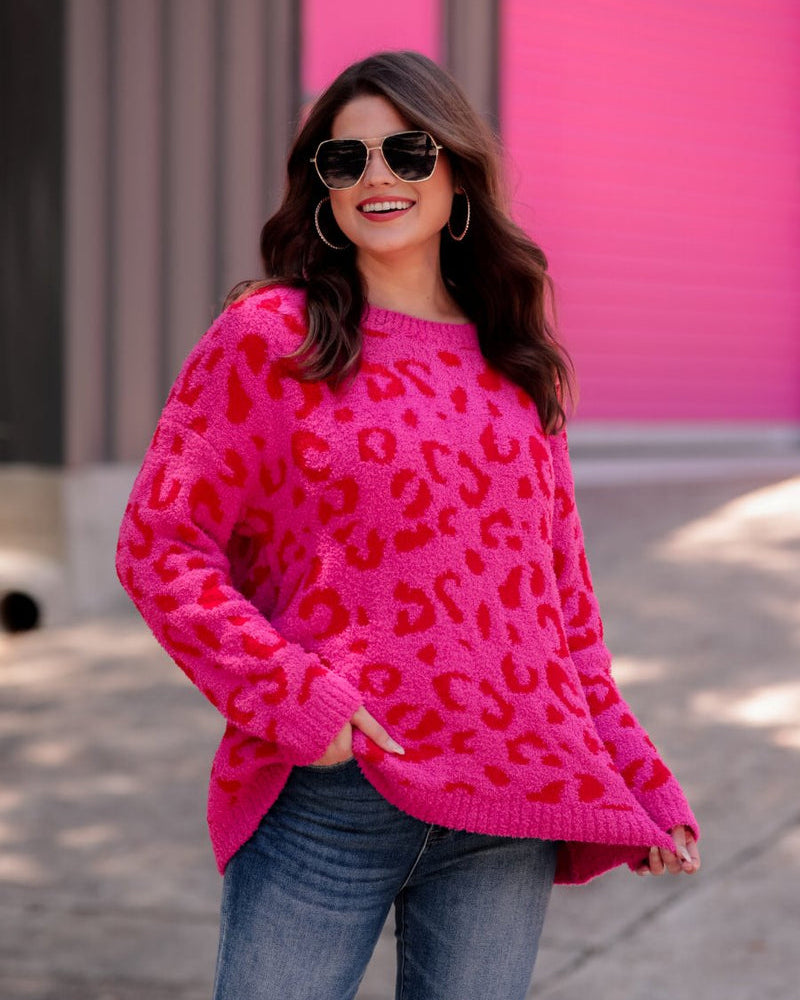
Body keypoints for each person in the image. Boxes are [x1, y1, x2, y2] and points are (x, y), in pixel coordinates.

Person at [116, 50, 700, 1000]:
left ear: (458, 171)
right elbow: (161, 544)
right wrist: (297, 700)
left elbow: (562, 614)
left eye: (407, 151)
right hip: (333, 798)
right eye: (345, 162)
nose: (377, 176)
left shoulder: (516, 365)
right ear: (323, 191)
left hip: (514, 797)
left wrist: (641, 774)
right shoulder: (272, 339)